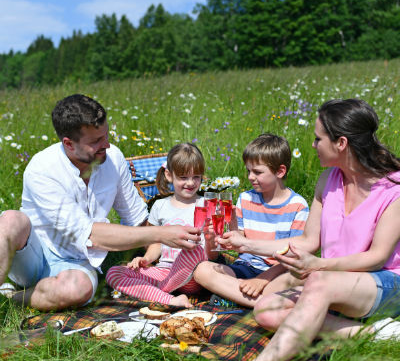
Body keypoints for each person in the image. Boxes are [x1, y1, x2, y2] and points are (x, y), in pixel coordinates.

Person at [218, 99, 400, 361]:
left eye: (318, 139)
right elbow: (308, 241)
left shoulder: (393, 187)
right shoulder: (328, 180)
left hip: (385, 283)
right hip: (333, 281)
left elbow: (376, 258)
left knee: (319, 281)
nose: (313, 145)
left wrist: (318, 266)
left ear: (341, 143)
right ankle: (373, 333)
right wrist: (245, 243)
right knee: (267, 309)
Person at [0, 94, 200, 311]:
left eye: (106, 135)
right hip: (33, 254)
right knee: (11, 220)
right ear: (69, 144)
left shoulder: (113, 158)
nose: (106, 144)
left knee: (78, 290)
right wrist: (162, 234)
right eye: (95, 141)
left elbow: (137, 219)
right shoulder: (42, 169)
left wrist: (162, 255)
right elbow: (90, 235)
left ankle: (13, 299)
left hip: (77, 263)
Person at [193, 133, 309, 307]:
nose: (250, 177)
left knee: (301, 278)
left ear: (280, 171)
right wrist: (221, 235)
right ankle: (263, 302)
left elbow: (296, 256)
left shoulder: (298, 206)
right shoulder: (246, 199)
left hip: (278, 272)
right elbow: (240, 240)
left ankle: (236, 296)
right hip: (245, 266)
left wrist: (262, 280)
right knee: (202, 270)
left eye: (257, 172)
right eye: (248, 171)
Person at [106, 143, 217, 308]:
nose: (190, 183)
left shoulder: (206, 204)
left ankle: (158, 291)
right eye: (183, 177)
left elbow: (212, 255)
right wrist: (146, 259)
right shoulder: (160, 206)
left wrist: (211, 239)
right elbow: (156, 243)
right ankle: (171, 299)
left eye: (196, 177)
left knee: (193, 249)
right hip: (164, 271)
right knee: (114, 272)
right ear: (169, 175)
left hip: (193, 274)